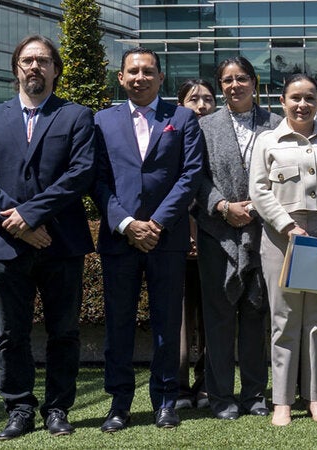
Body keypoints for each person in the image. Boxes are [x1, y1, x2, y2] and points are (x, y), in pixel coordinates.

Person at [0, 35, 95, 440]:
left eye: (43, 60)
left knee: (64, 332)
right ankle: (19, 409)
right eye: (27, 60)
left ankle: (57, 408)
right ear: (16, 69)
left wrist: (31, 215)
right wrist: (20, 223)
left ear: (56, 69)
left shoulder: (76, 116)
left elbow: (80, 174)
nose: (34, 66)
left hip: (62, 242)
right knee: (10, 334)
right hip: (6, 244)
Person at [92, 46, 205, 432]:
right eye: (133, 71)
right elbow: (96, 179)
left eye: (148, 71)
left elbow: (190, 174)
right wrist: (126, 224)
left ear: (160, 78)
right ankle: (119, 404)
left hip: (165, 239)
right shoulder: (102, 121)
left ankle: (166, 401)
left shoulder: (182, 118)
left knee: (167, 324)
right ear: (121, 77)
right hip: (119, 240)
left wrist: (156, 223)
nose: (140, 77)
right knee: (118, 325)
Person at [248, 73, 317, 426]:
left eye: (309, 98)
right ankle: (282, 401)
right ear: (283, 102)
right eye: (295, 98)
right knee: (284, 320)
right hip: (282, 240)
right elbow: (259, 190)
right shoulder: (267, 141)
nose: (302, 104)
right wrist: (287, 226)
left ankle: (315, 398)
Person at [192, 56, 279, 420]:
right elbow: (194, 176)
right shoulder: (203, 126)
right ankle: (221, 397)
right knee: (219, 318)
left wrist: (258, 207)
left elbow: (283, 175)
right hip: (217, 233)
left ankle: (255, 395)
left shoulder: (276, 124)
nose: (234, 85)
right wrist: (223, 206)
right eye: (227, 80)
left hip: (263, 232)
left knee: (256, 315)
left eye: (241, 78)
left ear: (254, 82)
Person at [172, 78, 210, 412]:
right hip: (177, 239)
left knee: (212, 318)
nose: (201, 106)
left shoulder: (219, 137)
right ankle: (180, 386)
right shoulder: (171, 137)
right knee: (181, 319)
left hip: (215, 241)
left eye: (208, 99)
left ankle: (207, 384)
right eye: (193, 99)